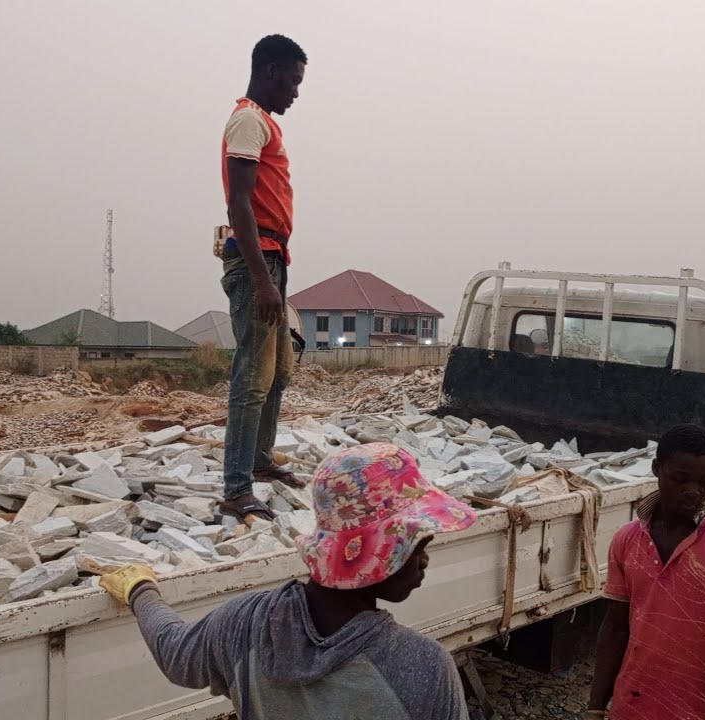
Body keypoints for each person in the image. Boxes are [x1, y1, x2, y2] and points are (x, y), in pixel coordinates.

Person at [99, 443, 478, 719]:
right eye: (418, 543)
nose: (425, 559)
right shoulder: (423, 666)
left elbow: (176, 654)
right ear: (382, 551)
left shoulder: (244, 624)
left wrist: (141, 591)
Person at [585, 424, 705, 720]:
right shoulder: (627, 539)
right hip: (631, 706)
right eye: (680, 479)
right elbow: (615, 627)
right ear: (656, 469)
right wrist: (596, 708)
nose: (693, 492)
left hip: (698, 711)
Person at [217, 34, 308, 522]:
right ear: (270, 71)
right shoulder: (249, 119)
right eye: (292, 80)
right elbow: (239, 203)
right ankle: (236, 489)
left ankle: (258, 460)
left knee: (278, 372)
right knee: (252, 377)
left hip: (273, 258)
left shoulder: (264, 122)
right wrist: (263, 280)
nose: (295, 91)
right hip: (257, 262)